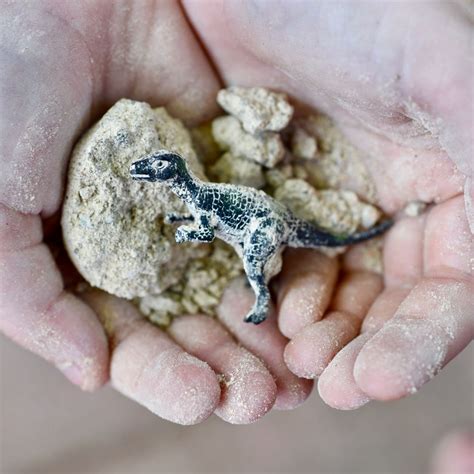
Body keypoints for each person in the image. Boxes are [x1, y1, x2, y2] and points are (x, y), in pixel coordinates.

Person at [0, 1, 472, 425]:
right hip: (250, 210)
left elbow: (205, 225)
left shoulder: (199, 197)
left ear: (172, 169)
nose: (150, 171)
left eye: (156, 167)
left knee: (252, 261)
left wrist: (186, 234)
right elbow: (201, 218)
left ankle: (262, 298)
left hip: (264, 223)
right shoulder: (194, 192)